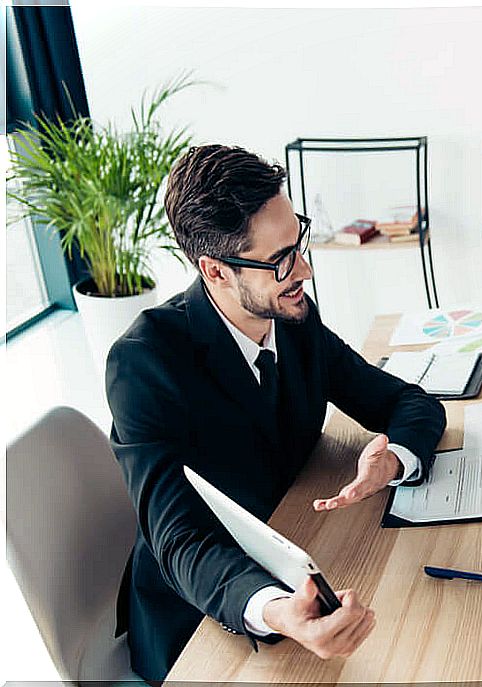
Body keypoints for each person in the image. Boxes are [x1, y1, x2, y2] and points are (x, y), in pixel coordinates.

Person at [106, 144, 446, 682]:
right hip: (205, 616)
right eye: (280, 260)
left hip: (301, 542)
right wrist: (275, 611)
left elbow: (409, 402)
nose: (304, 269)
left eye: (299, 244)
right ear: (214, 271)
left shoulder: (291, 316)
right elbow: (180, 542)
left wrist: (394, 460)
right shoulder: (145, 365)